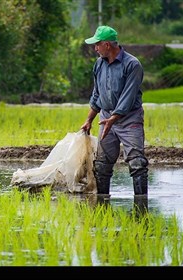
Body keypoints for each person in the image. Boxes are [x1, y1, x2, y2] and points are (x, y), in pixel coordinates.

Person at [80, 26, 149, 198]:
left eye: (97, 44)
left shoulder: (132, 65)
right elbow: (97, 94)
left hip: (129, 119)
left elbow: (128, 96)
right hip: (105, 118)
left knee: (137, 163)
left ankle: (141, 203)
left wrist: (114, 118)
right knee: (102, 165)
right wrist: (89, 119)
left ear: (107, 45)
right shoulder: (98, 65)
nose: (95, 48)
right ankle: (102, 202)